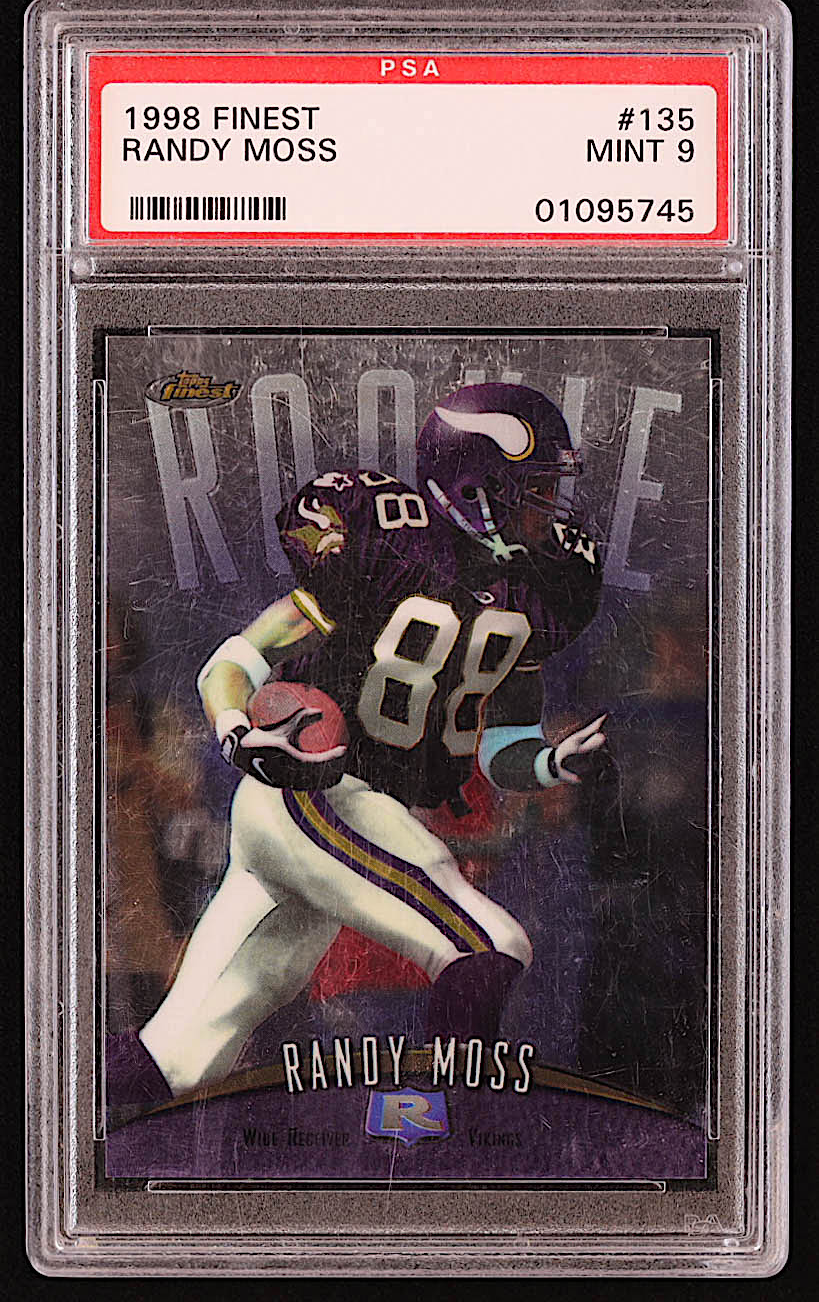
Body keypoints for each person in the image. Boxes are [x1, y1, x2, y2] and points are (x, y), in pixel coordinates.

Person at [107, 383, 607, 1108]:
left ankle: (77, 1113)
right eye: (535, 488)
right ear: (479, 488)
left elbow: (502, 744)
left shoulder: (532, 592)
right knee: (487, 946)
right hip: (316, 789)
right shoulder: (386, 538)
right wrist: (238, 731)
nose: (550, 508)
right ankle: (451, 1132)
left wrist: (550, 764)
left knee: (181, 1054)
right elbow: (237, 659)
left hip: (337, 816)